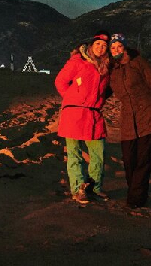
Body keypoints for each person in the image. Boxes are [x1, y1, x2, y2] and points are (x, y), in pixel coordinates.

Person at [108, 33, 151, 209]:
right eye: (112, 47)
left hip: (149, 116)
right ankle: (136, 191)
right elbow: (104, 91)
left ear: (125, 47)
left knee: (143, 160)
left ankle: (136, 199)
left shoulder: (139, 62)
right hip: (128, 119)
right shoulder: (112, 69)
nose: (116, 50)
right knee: (129, 160)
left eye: (119, 46)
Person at [54, 30, 111, 204]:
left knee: (98, 154)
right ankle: (78, 188)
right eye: (98, 44)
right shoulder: (78, 61)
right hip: (74, 114)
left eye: (104, 46)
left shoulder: (106, 66)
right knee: (74, 154)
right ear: (91, 45)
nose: (100, 48)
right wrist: (73, 99)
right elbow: (60, 81)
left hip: (94, 114)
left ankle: (94, 187)